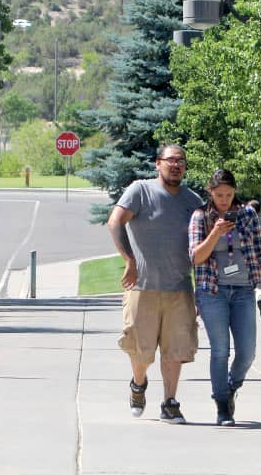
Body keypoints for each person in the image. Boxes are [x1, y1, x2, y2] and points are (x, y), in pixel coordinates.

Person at [107, 143, 203, 424]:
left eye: (181, 161)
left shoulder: (193, 200)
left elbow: (204, 244)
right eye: (171, 160)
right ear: (158, 163)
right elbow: (115, 222)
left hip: (180, 289)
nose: (176, 165)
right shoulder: (141, 190)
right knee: (140, 349)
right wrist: (129, 260)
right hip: (142, 287)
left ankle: (170, 403)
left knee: (175, 350)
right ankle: (138, 384)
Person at [188, 169, 261, 427]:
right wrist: (215, 233)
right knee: (220, 350)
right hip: (212, 291)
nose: (224, 200)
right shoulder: (200, 217)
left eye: (229, 194)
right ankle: (222, 407)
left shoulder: (247, 215)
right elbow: (195, 257)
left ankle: (231, 386)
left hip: (243, 290)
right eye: (219, 195)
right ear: (210, 191)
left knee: (247, 351)